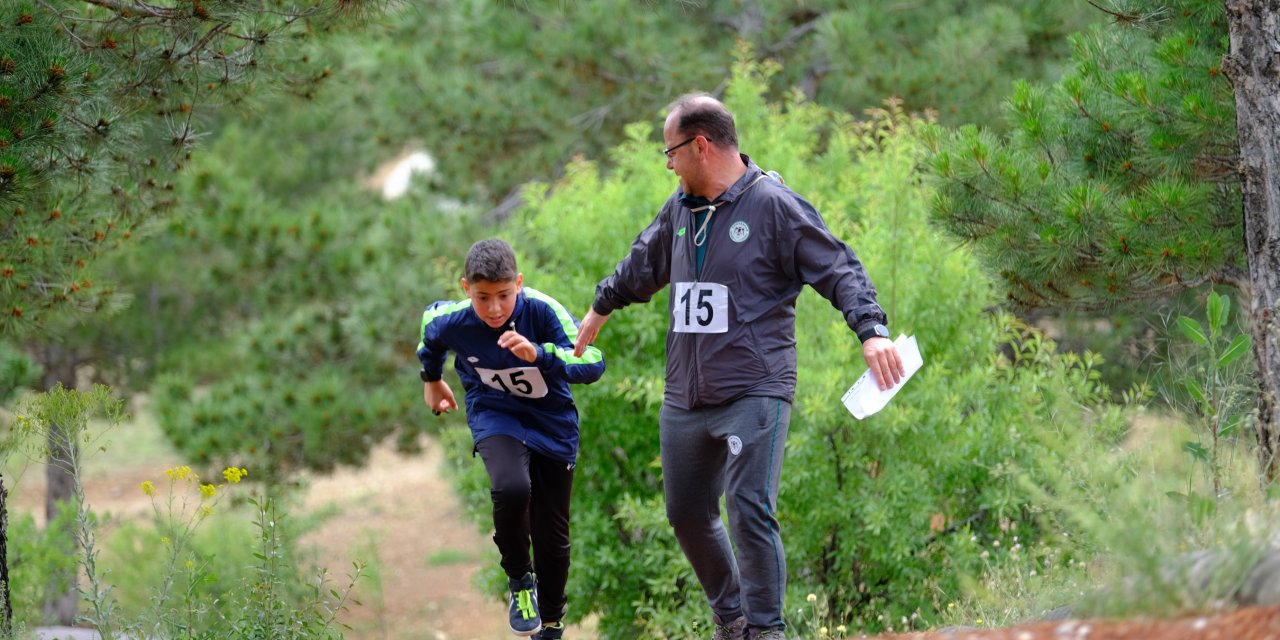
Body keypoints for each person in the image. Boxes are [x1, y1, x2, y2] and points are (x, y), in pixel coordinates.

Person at [570, 95, 904, 640]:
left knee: (748, 505)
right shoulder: (679, 210)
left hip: (756, 386)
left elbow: (839, 266)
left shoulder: (773, 205)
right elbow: (642, 262)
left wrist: (871, 330)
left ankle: (767, 631)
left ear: (700, 145)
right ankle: (733, 620)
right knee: (685, 513)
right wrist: (602, 304)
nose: (669, 164)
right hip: (685, 394)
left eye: (671, 151)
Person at [417, 238, 605, 639]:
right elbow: (429, 330)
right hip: (495, 414)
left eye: (503, 296)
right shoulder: (455, 319)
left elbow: (592, 361)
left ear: (518, 284)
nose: (494, 309)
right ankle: (520, 581)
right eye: (482, 298)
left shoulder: (542, 309)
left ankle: (551, 624)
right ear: (466, 289)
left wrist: (539, 355)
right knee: (511, 487)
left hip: (551, 423)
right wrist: (432, 380)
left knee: (552, 536)